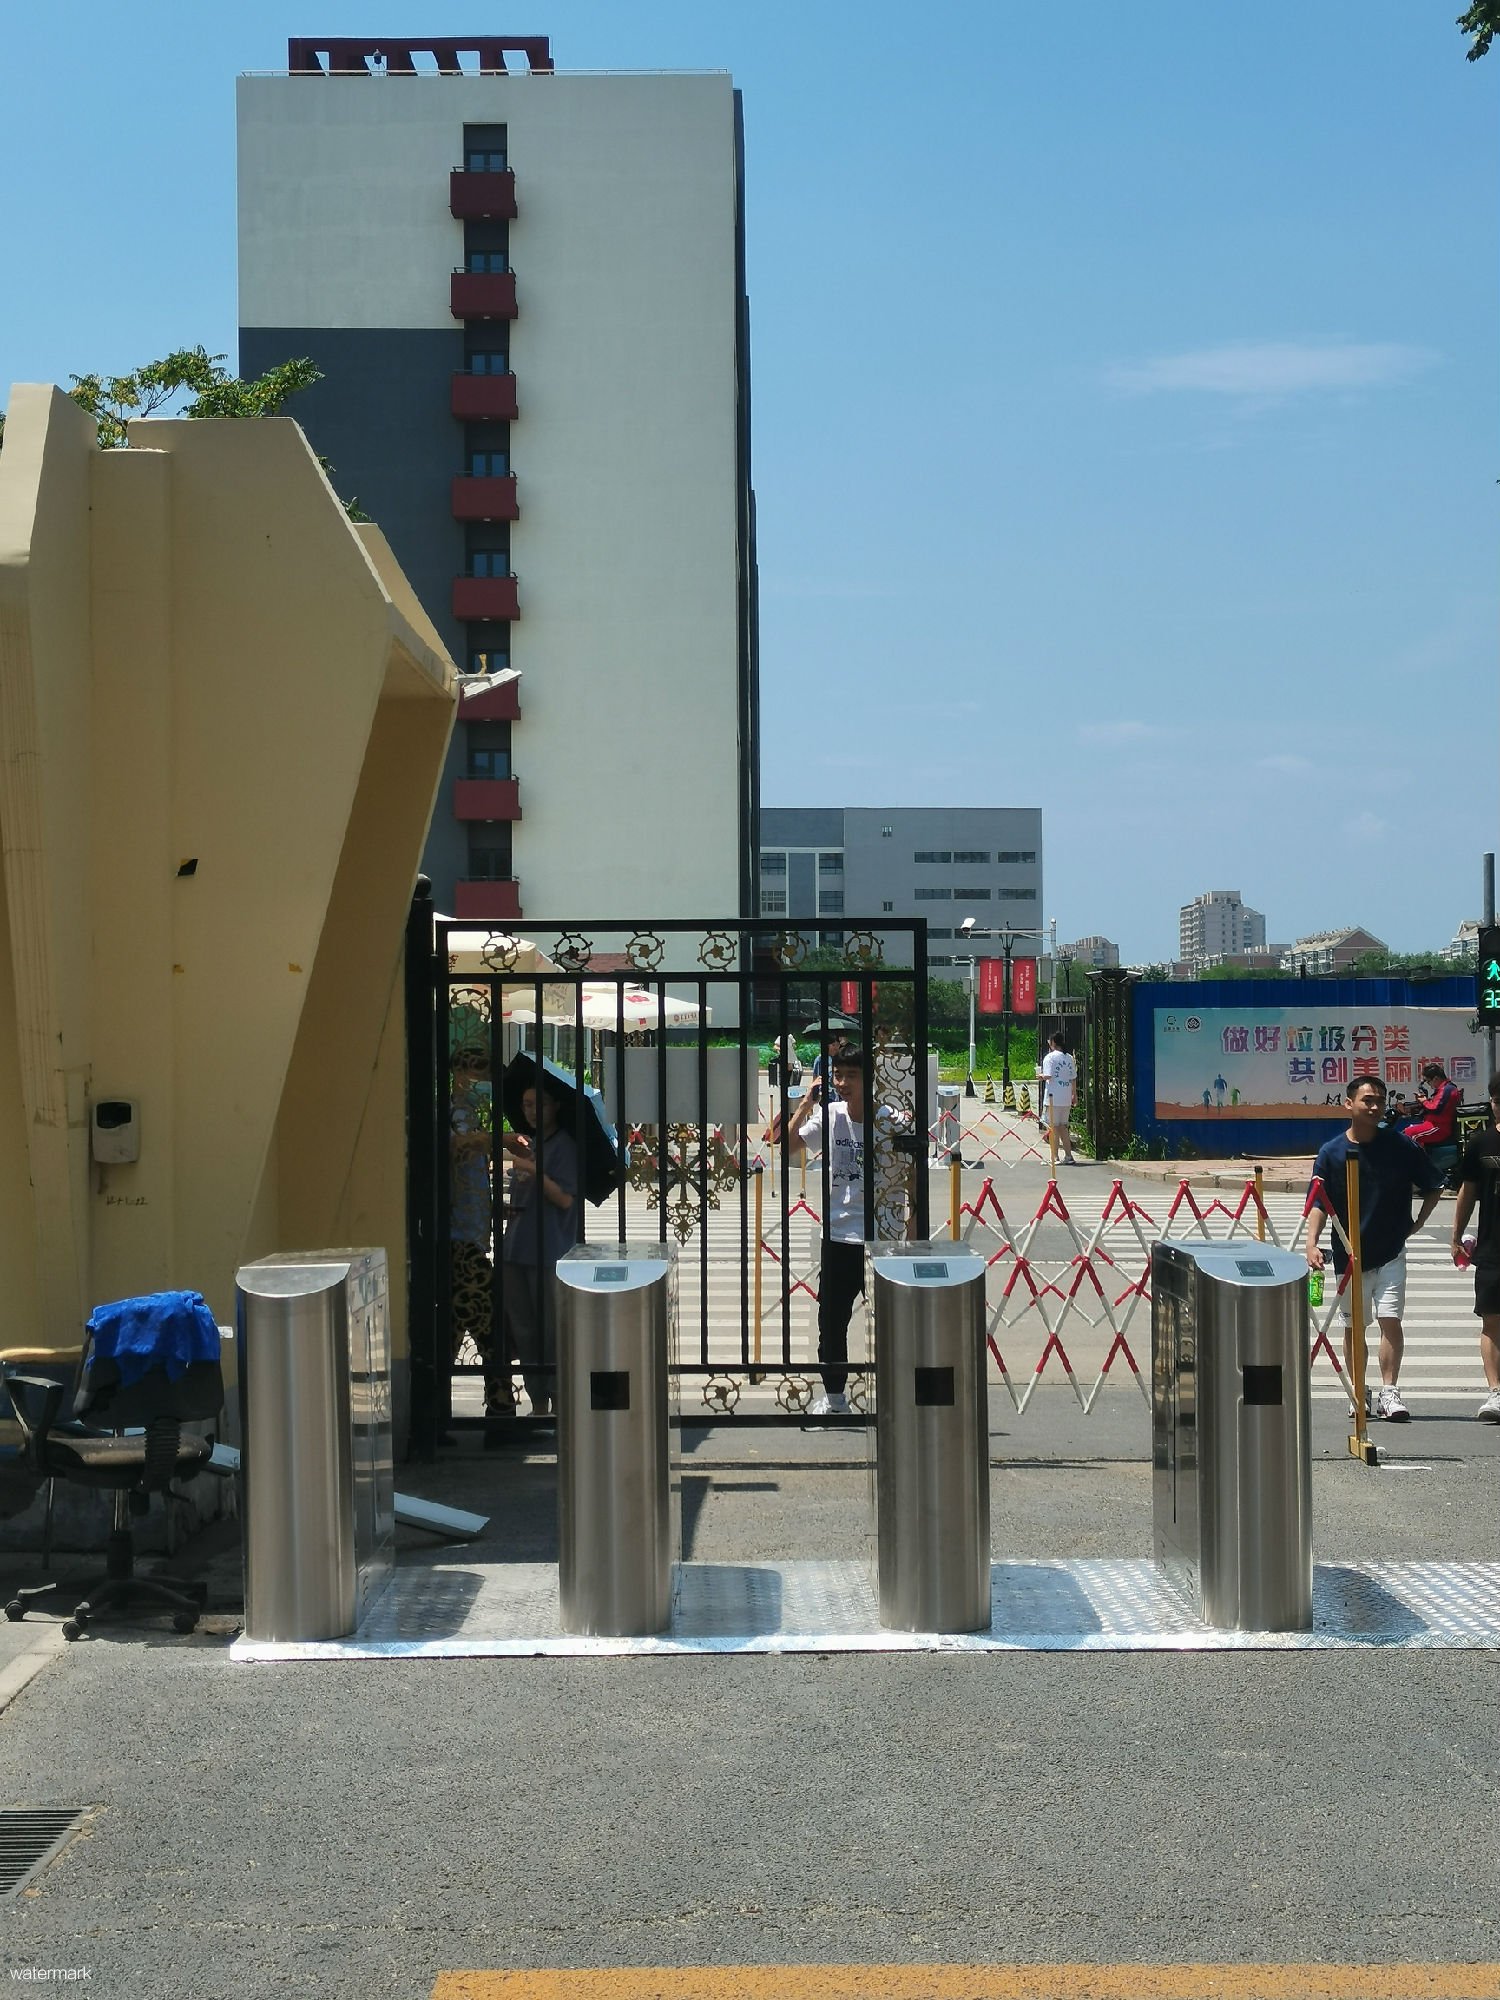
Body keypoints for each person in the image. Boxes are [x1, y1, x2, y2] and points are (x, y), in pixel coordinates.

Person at [1304, 1075, 1443, 1423]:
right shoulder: (1332, 1152)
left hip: (1391, 1251)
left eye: (1380, 1100)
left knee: (1389, 1320)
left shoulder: (1400, 1145)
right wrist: (1311, 1243)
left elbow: (1435, 1184)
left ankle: (1390, 1391)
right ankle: (1358, 1390)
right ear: (1348, 1104)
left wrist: (1419, 1222)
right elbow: (1319, 1201)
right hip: (1349, 1254)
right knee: (1354, 1326)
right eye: (1367, 1100)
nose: (1375, 1106)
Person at [786, 1041, 912, 1418]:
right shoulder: (830, 1115)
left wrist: (913, 1233)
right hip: (838, 1236)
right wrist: (805, 1104)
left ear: (868, 1079)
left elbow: (913, 1175)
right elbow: (787, 1145)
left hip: (881, 1237)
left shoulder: (891, 1121)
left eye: (851, 1076)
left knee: (892, 1321)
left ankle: (897, 1395)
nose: (842, 1083)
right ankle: (835, 1397)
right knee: (832, 1320)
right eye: (838, 1075)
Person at [500, 1079, 580, 1418]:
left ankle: (559, 1399)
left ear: (555, 1106)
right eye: (527, 1104)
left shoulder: (564, 1146)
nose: (532, 1111)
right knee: (523, 1329)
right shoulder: (529, 1144)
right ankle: (538, 1403)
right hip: (516, 1248)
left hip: (549, 1251)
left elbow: (565, 1199)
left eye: (539, 1104)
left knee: (551, 1330)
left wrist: (532, 1169)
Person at [449, 1051, 515, 1417]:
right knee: (490, 1325)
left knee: (454, 1325)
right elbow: (458, 1146)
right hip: (458, 1242)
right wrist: (500, 1139)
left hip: (469, 1237)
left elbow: (468, 1179)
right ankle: (501, 1409)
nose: (485, 1082)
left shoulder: (470, 1114)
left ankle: (433, 1413)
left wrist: (493, 1209)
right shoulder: (454, 1114)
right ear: (459, 1074)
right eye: (480, 1074)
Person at [1449, 1072, 1500, 1423]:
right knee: (1492, 1321)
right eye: (1497, 1101)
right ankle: (1495, 1391)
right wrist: (1456, 1235)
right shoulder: (1481, 1143)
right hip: (1493, 1249)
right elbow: (1467, 1191)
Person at [1036, 1033, 1078, 1164]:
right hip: (1066, 1097)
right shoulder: (1069, 1057)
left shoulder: (1050, 1057)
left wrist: (1041, 1076)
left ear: (1053, 1042)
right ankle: (1068, 1156)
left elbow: (1048, 1075)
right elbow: (1073, 1078)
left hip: (1053, 1097)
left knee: (1053, 1127)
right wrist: (1074, 1094)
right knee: (1063, 1127)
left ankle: (1054, 1157)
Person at [1402, 1062, 1461, 1152]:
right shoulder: (1444, 1089)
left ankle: (1414, 1160)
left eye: (1428, 1081)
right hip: (1433, 1124)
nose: (1429, 1085)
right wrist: (1423, 1102)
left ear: (1436, 1078)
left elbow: (1436, 1109)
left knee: (1409, 1134)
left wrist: (1424, 1101)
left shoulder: (1447, 1090)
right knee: (1406, 1130)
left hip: (1439, 1127)